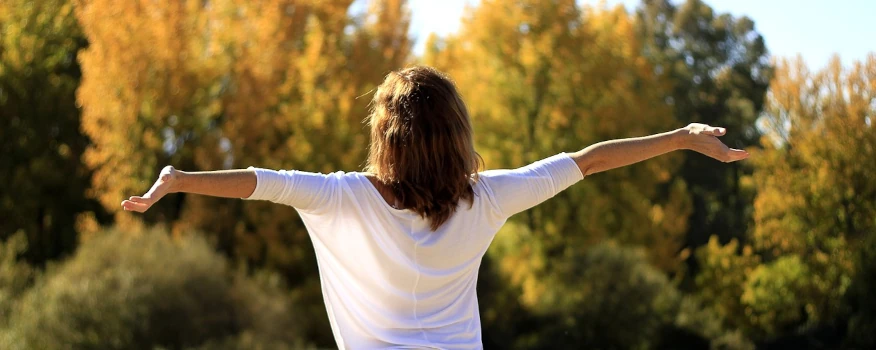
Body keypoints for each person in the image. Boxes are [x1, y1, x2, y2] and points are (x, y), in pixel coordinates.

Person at [121, 66, 748, 349]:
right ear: (458, 134)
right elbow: (591, 160)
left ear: (383, 138)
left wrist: (179, 181)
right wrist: (683, 138)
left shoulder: (342, 197)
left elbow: (260, 182)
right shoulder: (489, 198)